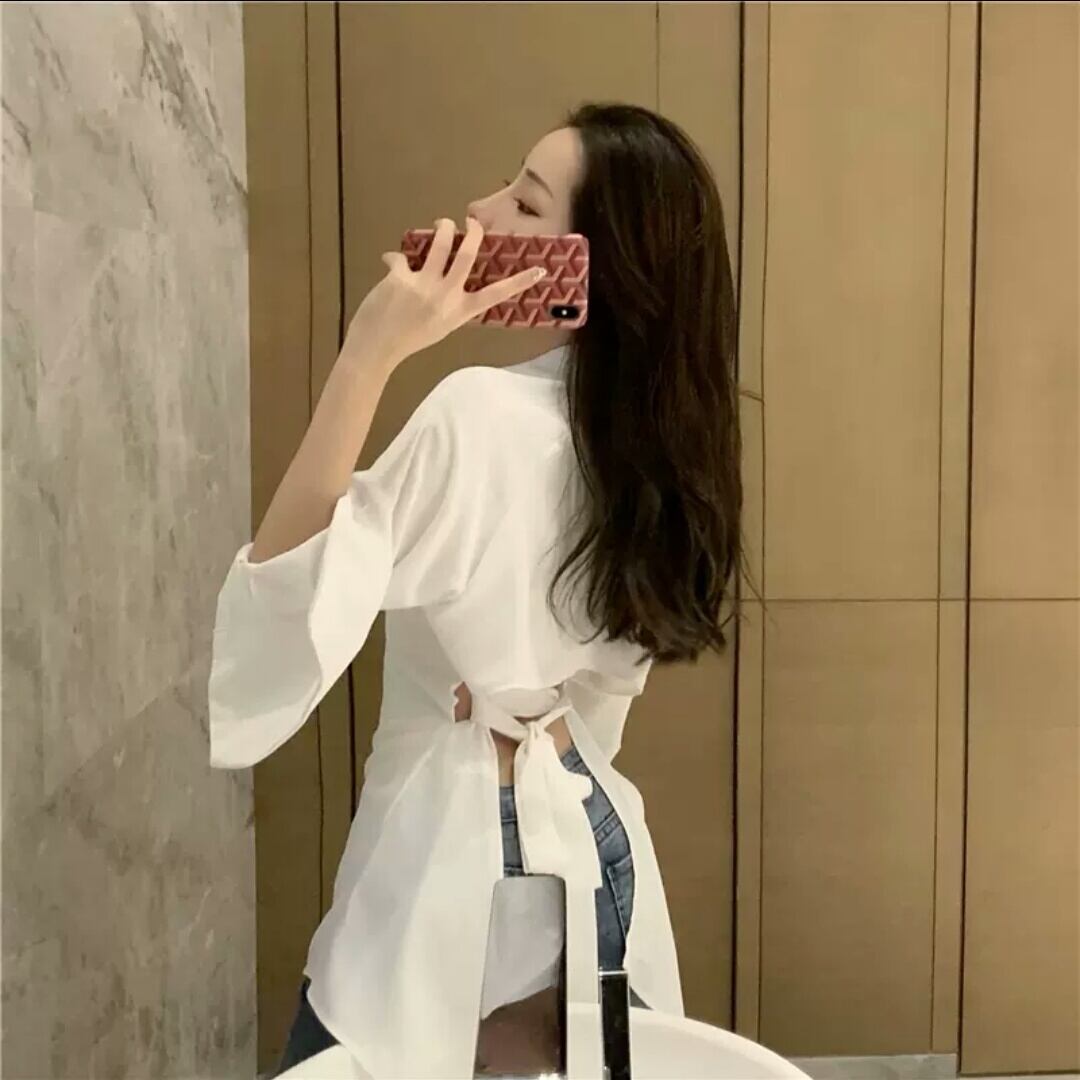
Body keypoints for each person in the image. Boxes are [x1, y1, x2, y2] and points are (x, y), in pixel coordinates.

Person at [207, 101, 751, 1079]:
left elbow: (287, 599)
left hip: (453, 861)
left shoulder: (475, 417)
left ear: (590, 270)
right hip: (592, 847)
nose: (482, 211)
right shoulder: (667, 445)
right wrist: (529, 695)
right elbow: (610, 685)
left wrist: (369, 352)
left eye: (526, 205)